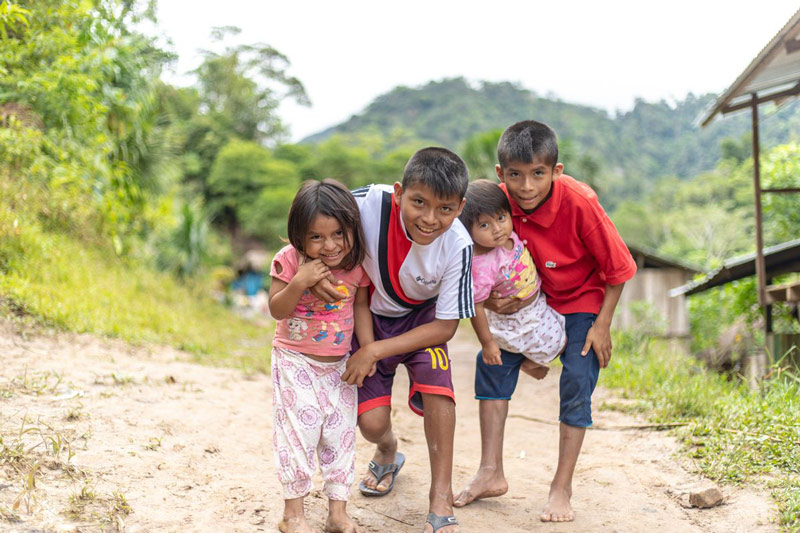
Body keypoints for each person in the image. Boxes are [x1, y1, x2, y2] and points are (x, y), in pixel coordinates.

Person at [454, 121, 637, 523]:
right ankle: (490, 471)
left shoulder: (580, 202)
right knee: (493, 363)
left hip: (581, 297)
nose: (527, 186)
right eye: (516, 175)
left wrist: (601, 324)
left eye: (538, 173)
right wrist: (491, 300)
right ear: (501, 174)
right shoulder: (494, 205)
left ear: (556, 171)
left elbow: (621, 269)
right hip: (530, 301)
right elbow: (466, 250)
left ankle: (561, 487)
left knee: (577, 377)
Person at [315, 147, 473, 533]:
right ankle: (388, 449)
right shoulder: (365, 204)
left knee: (439, 390)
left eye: (446, 209)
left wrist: (373, 351)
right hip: (366, 314)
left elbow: (445, 328)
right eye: (419, 202)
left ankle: (440, 498)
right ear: (399, 192)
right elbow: (311, 220)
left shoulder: (459, 245)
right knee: (370, 423)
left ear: (460, 207)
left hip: (425, 322)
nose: (430, 218)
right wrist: (307, 270)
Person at [268, 179, 372, 533]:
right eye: (316, 237)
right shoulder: (286, 260)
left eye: (339, 234)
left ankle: (337, 512)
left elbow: (360, 307)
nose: (330, 246)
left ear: (352, 230)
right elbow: (277, 310)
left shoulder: (357, 265)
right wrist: (299, 280)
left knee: (340, 435)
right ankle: (292, 513)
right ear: (299, 236)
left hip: (340, 365)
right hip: (294, 359)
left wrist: (368, 351)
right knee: (300, 432)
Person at [458, 179, 566, 379]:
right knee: (560, 342)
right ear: (468, 231)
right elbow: (477, 307)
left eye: (500, 218)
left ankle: (531, 361)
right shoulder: (482, 266)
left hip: (537, 306)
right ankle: (530, 365)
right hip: (514, 319)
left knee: (565, 335)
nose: (497, 228)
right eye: (484, 225)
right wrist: (487, 343)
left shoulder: (509, 236)